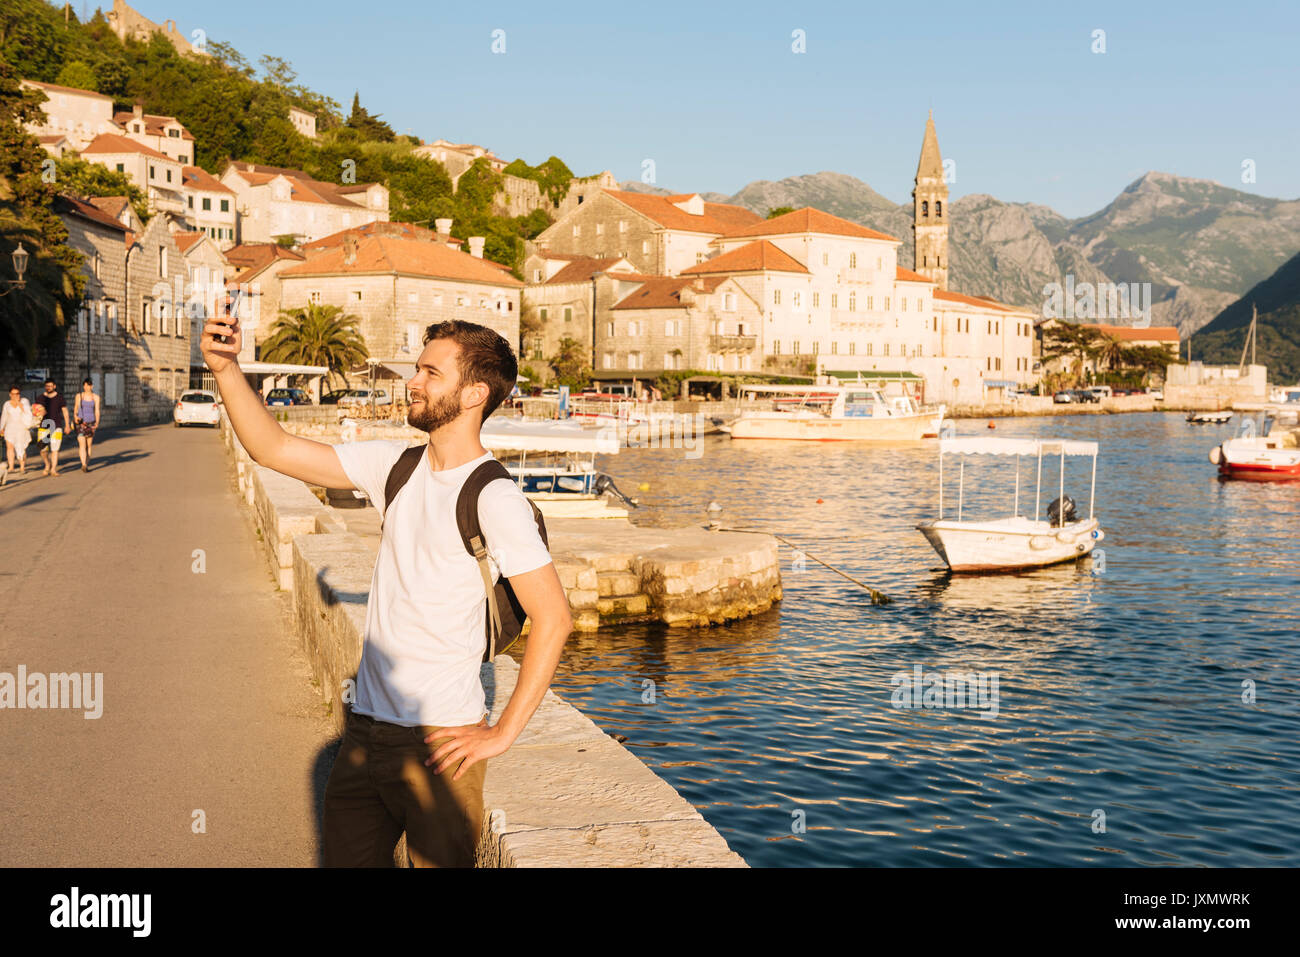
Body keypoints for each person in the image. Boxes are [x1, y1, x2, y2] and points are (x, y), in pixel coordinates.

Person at [201, 314, 573, 868]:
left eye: (430, 372)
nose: (413, 382)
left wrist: (499, 735)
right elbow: (273, 448)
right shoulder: (396, 467)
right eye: (416, 370)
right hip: (363, 735)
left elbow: (554, 618)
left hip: (440, 745)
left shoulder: (494, 496)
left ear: (474, 393)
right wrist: (226, 369)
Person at [36, 378, 69, 476]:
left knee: (55, 449)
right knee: (43, 449)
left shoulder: (60, 398)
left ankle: (53, 469)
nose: (48, 388)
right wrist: (38, 413)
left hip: (56, 426)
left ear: (54, 386)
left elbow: (65, 411)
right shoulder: (40, 398)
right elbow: (35, 411)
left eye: (50, 386)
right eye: (47, 386)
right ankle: (47, 464)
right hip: (43, 426)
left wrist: (67, 425)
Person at [1, 385, 32, 485]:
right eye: (13, 394)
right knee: (9, 447)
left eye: (17, 393)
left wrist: (19, 404)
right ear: (10, 394)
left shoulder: (24, 401)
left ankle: (22, 466)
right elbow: (4, 416)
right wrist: (1, 427)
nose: (15, 396)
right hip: (10, 427)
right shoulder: (7, 404)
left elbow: (28, 413)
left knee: (21, 447)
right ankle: (11, 466)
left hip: (21, 427)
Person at [73, 378, 102, 472]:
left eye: (88, 385)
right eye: (84, 385)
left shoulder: (96, 397)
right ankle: (83, 464)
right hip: (81, 423)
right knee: (82, 443)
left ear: (91, 386)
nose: (86, 387)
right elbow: (76, 408)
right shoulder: (79, 396)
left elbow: (97, 411)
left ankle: (86, 463)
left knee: (88, 445)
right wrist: (75, 417)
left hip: (91, 423)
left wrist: (97, 422)